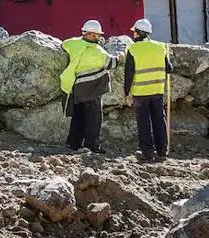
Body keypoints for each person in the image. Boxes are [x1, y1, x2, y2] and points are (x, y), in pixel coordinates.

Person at [60, 19, 116, 153]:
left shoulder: (73, 43)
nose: (99, 38)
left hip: (76, 87)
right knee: (94, 118)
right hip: (92, 89)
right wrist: (121, 56)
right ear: (90, 34)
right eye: (97, 35)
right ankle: (92, 144)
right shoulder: (97, 51)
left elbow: (63, 45)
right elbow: (112, 64)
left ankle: (73, 143)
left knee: (78, 116)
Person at [123, 18, 172, 162]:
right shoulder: (160, 47)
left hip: (140, 92)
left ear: (138, 33)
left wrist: (126, 92)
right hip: (157, 90)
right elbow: (169, 68)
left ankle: (147, 153)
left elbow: (129, 73)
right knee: (159, 120)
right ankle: (162, 151)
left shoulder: (132, 49)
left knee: (143, 123)